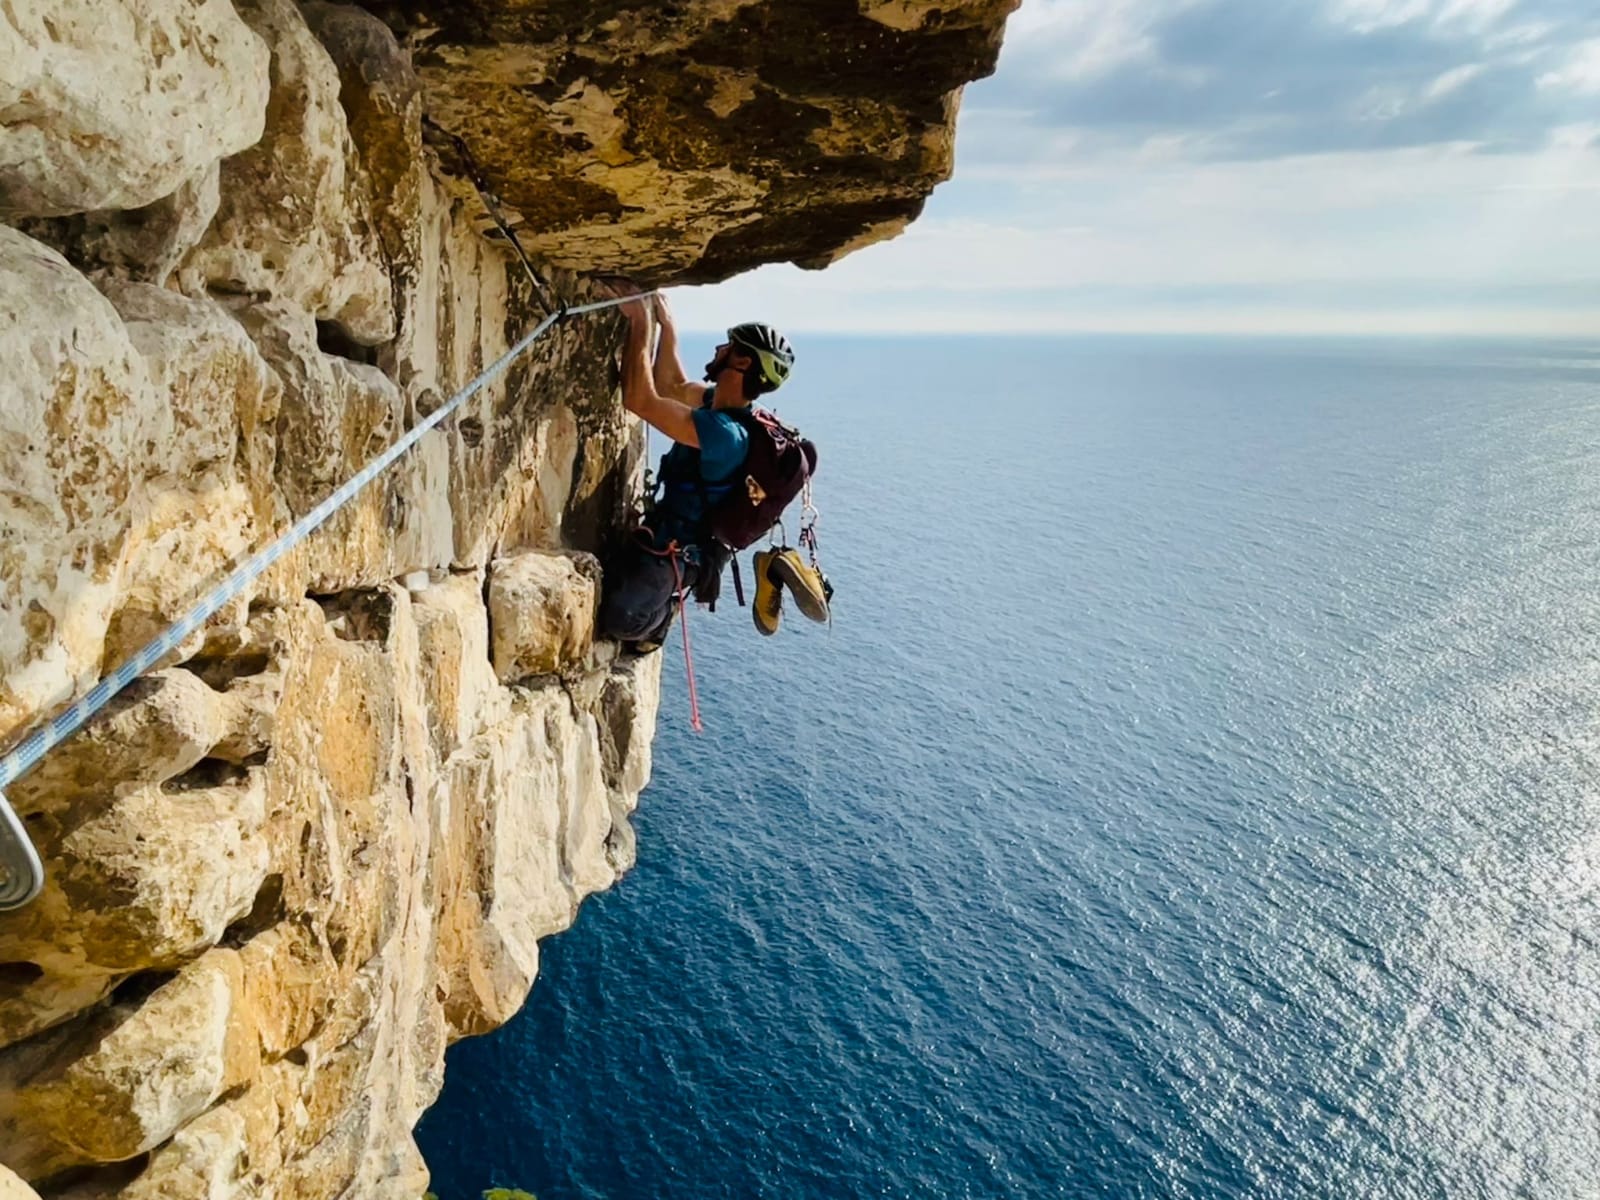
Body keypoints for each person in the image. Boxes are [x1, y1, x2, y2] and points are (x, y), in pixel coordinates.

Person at [599, 293, 826, 651]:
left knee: (622, 619)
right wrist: (666, 325)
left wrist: (639, 322)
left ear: (742, 361)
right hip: (670, 529)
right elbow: (671, 387)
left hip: (682, 550)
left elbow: (640, 399)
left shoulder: (726, 435)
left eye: (729, 346)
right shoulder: (720, 405)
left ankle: (661, 621)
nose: (719, 349)